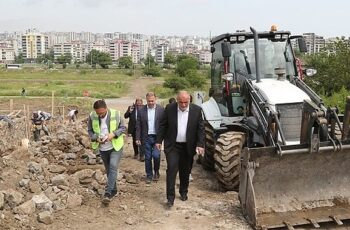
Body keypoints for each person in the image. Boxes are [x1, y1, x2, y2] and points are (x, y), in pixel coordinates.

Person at [156, 91, 205, 208]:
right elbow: (163, 125)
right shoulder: (169, 109)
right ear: (177, 100)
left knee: (185, 170)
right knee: (171, 169)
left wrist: (200, 144)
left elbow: (201, 129)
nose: (183, 105)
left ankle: (183, 192)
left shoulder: (197, 110)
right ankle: (170, 198)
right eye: (181, 102)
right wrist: (158, 140)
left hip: (188, 146)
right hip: (173, 146)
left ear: (190, 100)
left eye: (186, 102)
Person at [87, 99, 126, 204]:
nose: (100, 115)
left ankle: (108, 193)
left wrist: (113, 134)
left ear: (106, 108)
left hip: (115, 146)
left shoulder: (116, 114)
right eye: (98, 113)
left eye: (102, 113)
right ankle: (114, 189)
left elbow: (123, 128)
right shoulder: (92, 116)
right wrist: (95, 138)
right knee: (109, 170)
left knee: (113, 166)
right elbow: (90, 130)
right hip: (103, 148)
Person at [136, 92, 164, 184]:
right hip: (146, 137)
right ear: (146, 100)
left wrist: (163, 137)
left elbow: (163, 125)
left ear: (155, 99)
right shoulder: (141, 111)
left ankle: (156, 171)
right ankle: (149, 175)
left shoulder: (161, 110)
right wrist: (138, 138)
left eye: (152, 101)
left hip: (157, 138)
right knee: (147, 157)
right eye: (149, 101)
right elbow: (138, 125)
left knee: (156, 156)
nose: (151, 103)